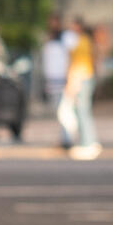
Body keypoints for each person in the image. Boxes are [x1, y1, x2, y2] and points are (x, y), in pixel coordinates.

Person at [63, 17, 99, 160]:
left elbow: (79, 65)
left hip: (81, 79)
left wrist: (72, 83)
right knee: (81, 111)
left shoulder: (80, 42)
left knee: (82, 111)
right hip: (83, 78)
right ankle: (86, 142)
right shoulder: (82, 41)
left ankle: (88, 143)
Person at [40, 16, 73, 147]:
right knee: (59, 112)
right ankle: (64, 138)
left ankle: (67, 139)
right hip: (52, 80)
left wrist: (70, 77)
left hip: (63, 80)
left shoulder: (65, 37)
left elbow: (72, 56)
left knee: (64, 111)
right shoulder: (50, 38)